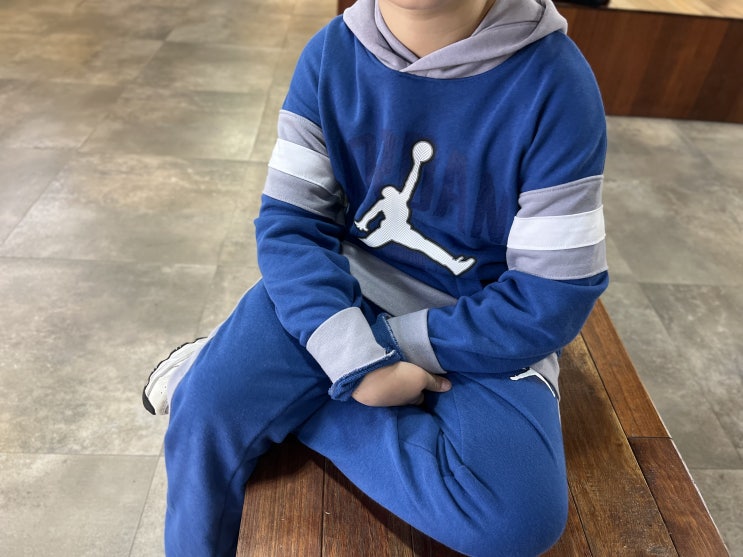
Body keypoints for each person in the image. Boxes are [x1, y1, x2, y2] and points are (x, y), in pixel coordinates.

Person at [144, 0, 609, 554]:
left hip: (480, 328)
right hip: (341, 291)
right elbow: (292, 226)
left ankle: (285, 396)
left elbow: (551, 296)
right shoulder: (328, 54)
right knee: (204, 414)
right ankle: (253, 381)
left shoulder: (558, 86)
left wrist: (378, 352)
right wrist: (354, 360)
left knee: (517, 519)